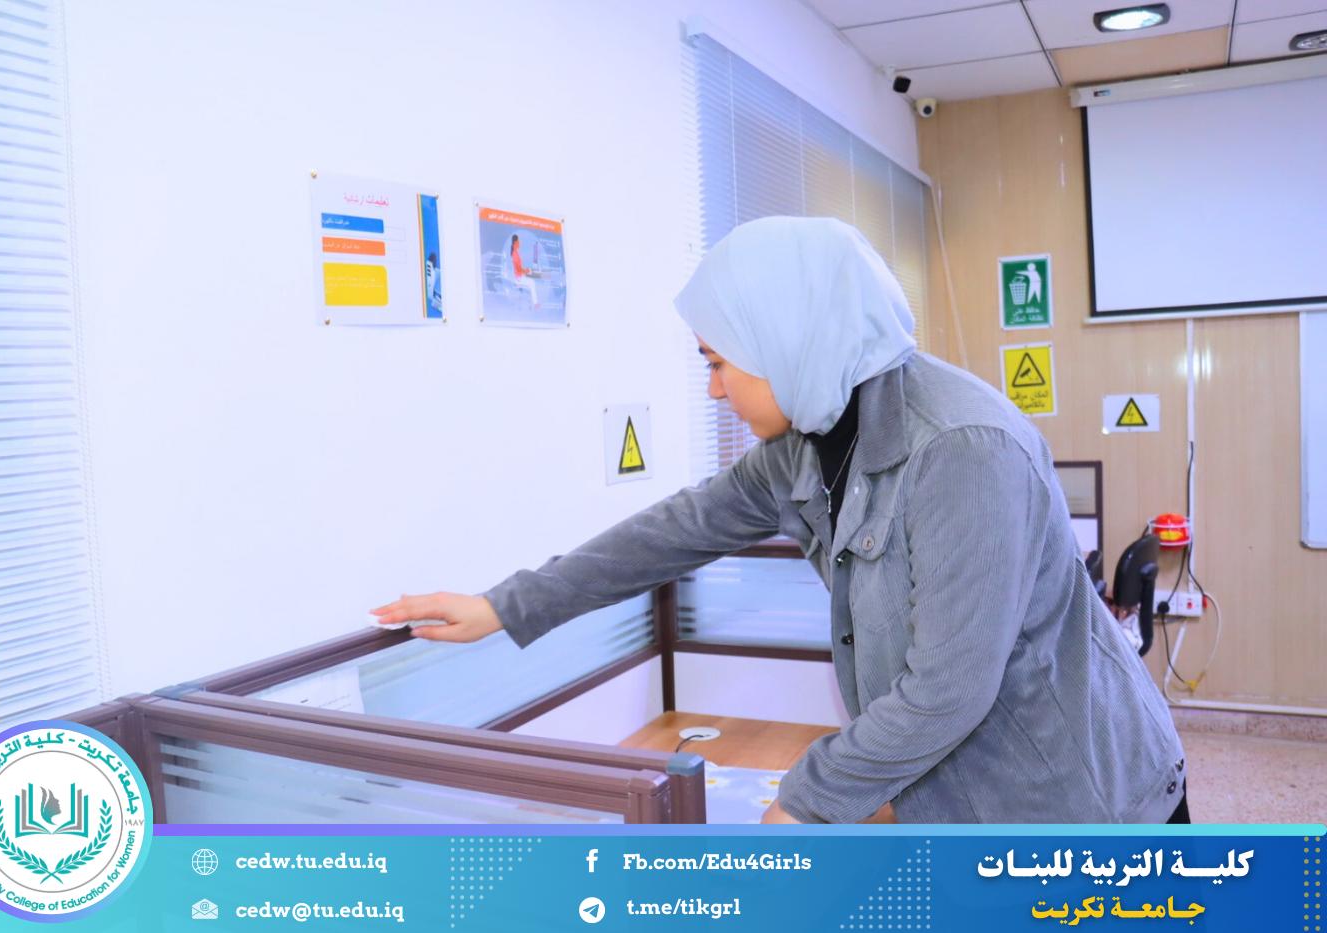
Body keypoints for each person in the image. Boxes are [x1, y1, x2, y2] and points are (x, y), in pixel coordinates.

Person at [372, 216, 1188, 825]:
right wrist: (505, 604)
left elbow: (947, 691)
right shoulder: (806, 443)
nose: (713, 389)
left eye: (718, 362)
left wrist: (809, 796)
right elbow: (672, 531)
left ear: (787, 340)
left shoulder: (962, 450)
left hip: (1084, 807)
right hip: (961, 803)